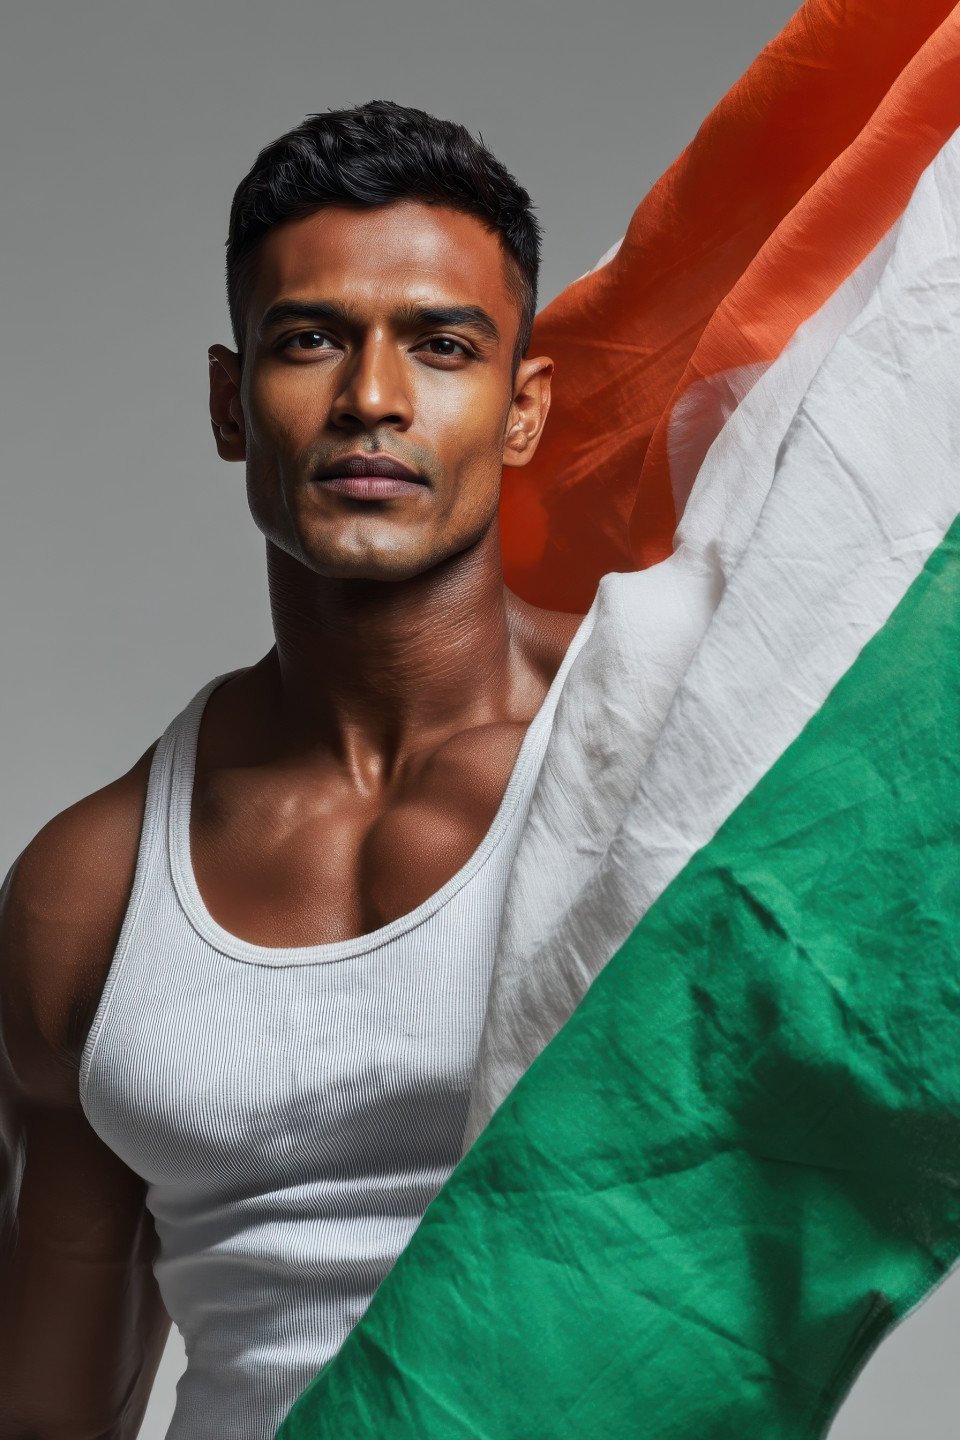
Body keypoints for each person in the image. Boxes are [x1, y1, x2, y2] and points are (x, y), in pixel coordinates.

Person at [0, 101, 588, 1440]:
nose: (372, 398)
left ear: (521, 410)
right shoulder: (87, 892)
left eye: (443, 347)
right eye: (311, 339)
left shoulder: (672, 758)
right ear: (229, 400)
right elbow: (49, 1415)